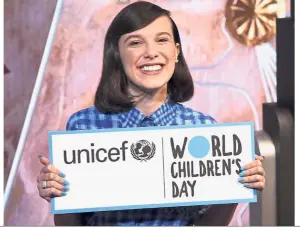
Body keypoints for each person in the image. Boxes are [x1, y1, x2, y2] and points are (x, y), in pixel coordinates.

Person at [36, 1, 265, 226]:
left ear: (176, 52)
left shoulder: (203, 128)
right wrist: (58, 193)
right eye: (136, 42)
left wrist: (236, 185)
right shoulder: (83, 126)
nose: (151, 53)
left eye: (162, 40)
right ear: (116, 53)